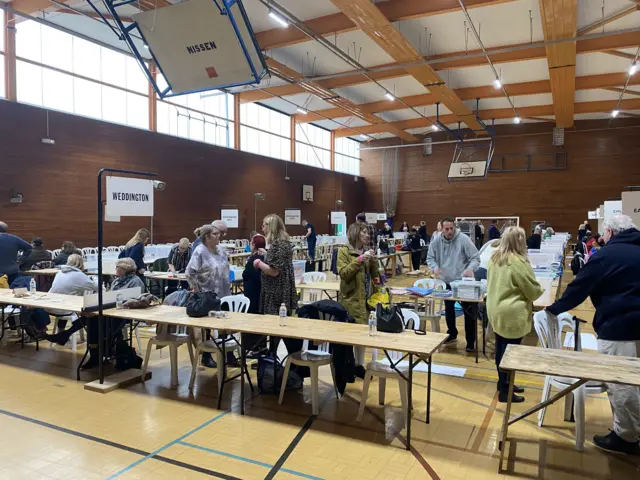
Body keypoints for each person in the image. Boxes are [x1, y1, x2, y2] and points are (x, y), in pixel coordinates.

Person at [545, 215, 640, 455]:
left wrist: (554, 309)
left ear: (609, 232)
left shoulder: (607, 256)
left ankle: (627, 437)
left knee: (621, 384)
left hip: (619, 328)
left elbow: (579, 287)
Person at [486, 227, 544, 404]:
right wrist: (541, 289)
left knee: (500, 348)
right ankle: (506, 390)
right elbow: (532, 291)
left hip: (495, 309)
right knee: (510, 353)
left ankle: (503, 383)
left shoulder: (495, 258)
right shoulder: (518, 262)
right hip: (512, 312)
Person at [427, 217, 480, 350]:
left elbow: (475, 257)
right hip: (446, 281)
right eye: (447, 229)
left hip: (462, 283)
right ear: (442, 229)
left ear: (454, 227)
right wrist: (434, 267)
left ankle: (470, 342)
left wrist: (470, 269)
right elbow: (430, 257)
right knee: (449, 309)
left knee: (469, 311)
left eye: (452, 228)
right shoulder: (436, 241)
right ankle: (452, 333)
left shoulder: (463, 239)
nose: (450, 231)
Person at [186, 221, 231, 369]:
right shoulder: (200, 251)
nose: (219, 237)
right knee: (208, 327)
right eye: (215, 234)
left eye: (219, 234)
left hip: (223, 291)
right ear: (206, 236)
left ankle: (228, 353)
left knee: (225, 323)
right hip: (207, 293)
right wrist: (196, 289)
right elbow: (189, 272)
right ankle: (206, 355)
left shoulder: (221, 250)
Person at [337, 222, 380, 378]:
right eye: (364, 232)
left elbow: (376, 277)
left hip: (366, 301)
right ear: (355, 233)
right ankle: (347, 365)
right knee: (349, 336)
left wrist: (374, 260)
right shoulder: (344, 251)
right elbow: (344, 273)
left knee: (362, 335)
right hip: (349, 300)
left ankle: (359, 365)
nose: (367, 235)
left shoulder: (368, 252)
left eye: (368, 233)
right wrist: (360, 259)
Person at [44, 254, 98, 346]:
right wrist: (95, 278)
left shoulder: (60, 272)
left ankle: (62, 334)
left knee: (68, 300)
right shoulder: (79, 275)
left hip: (49, 305)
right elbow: (96, 287)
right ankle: (65, 334)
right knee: (88, 314)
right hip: (63, 308)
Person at [254, 214, 297, 316]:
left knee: (273, 322)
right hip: (281, 289)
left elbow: (274, 272)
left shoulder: (278, 244)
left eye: (264, 225)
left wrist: (258, 263)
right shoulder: (283, 243)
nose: (262, 229)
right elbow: (280, 261)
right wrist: (267, 254)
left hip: (275, 292)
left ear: (270, 227)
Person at [242, 234, 266, 314]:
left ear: (253, 245)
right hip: (261, 291)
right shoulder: (265, 257)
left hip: (252, 292)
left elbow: (246, 274)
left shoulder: (253, 259)